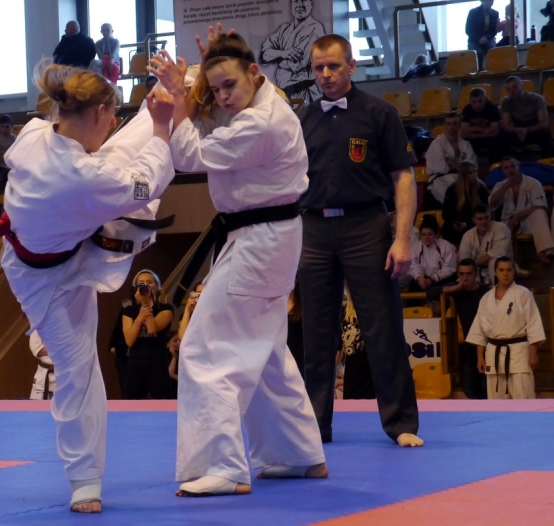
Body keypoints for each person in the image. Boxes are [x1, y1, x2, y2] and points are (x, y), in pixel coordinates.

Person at [0, 61, 176, 513]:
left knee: (114, 153)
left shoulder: (35, 132)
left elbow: (95, 153)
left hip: (70, 245)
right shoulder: (76, 174)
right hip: (42, 280)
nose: (114, 123)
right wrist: (162, 130)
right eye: (112, 114)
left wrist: (160, 104)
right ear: (99, 110)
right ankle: (84, 479)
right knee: (78, 369)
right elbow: (144, 186)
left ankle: (176, 92)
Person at [149, 26, 327, 498]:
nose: (223, 96)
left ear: (254, 71)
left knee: (204, 348)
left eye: (230, 85)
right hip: (263, 238)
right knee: (264, 350)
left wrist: (177, 99)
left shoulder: (262, 123)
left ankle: (222, 465)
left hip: (260, 242)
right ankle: (297, 453)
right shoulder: (261, 99)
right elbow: (211, 103)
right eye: (217, 87)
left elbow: (188, 153)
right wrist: (197, 79)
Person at [298, 34, 422, 447]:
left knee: (381, 327)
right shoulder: (302, 118)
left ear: (352, 66)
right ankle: (314, 428)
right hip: (314, 229)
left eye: (333, 66)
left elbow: (403, 177)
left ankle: (401, 424)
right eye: (319, 68)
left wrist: (402, 240)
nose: (326, 74)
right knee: (316, 333)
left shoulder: (378, 113)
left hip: (366, 226)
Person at [466, 257, 545, 399]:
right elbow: (479, 330)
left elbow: (534, 325)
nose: (505, 274)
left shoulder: (523, 294)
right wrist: (480, 357)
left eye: (509, 270)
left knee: (523, 396)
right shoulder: (486, 298)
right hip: (493, 353)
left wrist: (533, 353)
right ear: (495, 272)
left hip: (518, 352)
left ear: (514, 272)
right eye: (501, 270)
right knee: (496, 401)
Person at [426, 259, 489, 399]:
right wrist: (455, 289)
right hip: (470, 345)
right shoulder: (457, 289)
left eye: (469, 274)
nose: (465, 278)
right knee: (469, 387)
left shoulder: (486, 292)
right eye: (462, 274)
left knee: (488, 387)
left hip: (490, 344)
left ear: (476, 274)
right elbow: (430, 292)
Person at [488, 156, 554, 265]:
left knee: (540, 213)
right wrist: (506, 186)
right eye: (506, 168)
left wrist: (518, 215)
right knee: (499, 230)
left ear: (518, 167)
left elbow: (540, 206)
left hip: (528, 220)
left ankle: (542, 252)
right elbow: (492, 203)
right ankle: (503, 262)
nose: (510, 170)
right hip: (508, 222)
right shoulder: (500, 185)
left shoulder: (533, 183)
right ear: (503, 171)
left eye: (512, 166)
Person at [121, 270, 174, 399]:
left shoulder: (166, 308)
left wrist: (145, 304)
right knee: (132, 404)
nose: (145, 286)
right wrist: (140, 317)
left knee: (163, 403)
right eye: (141, 283)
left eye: (149, 282)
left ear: (156, 286)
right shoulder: (129, 311)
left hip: (158, 361)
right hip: (135, 363)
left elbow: (152, 329)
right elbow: (129, 341)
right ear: (136, 288)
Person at [259, 0, 326, 103]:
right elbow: (263, 56)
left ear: (311, 4)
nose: (299, 5)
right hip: (284, 95)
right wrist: (283, 53)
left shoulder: (316, 28)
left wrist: (275, 57)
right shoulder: (284, 29)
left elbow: (297, 64)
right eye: (295, 1)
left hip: (304, 93)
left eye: (303, 1)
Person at [425, 111, 477, 207]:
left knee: (479, 186)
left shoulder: (465, 144)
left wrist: (451, 163)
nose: (451, 127)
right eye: (448, 123)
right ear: (445, 125)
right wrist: (461, 167)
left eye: (454, 123)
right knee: (451, 191)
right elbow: (441, 168)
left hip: (464, 177)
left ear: (459, 125)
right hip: (441, 178)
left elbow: (472, 167)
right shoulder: (437, 144)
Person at [459, 204, 513, 285]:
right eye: (480, 219)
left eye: (486, 218)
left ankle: (498, 288)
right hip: (477, 271)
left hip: (500, 270)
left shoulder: (501, 228)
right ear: (474, 220)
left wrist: (474, 263)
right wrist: (472, 266)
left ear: (490, 217)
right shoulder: (468, 235)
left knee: (495, 261)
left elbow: (499, 252)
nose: (484, 222)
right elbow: (464, 258)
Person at [500, 76, 552, 154]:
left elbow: (544, 123)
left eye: (515, 87)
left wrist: (527, 130)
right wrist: (517, 130)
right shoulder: (506, 102)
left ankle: (547, 160)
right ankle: (509, 160)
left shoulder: (537, 99)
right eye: (509, 89)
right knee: (501, 136)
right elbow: (506, 125)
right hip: (518, 132)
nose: (512, 91)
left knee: (545, 133)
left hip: (534, 131)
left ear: (522, 87)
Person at [442, 160, 489, 246]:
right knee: (448, 229)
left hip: (474, 225)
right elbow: (446, 213)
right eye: (470, 173)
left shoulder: (481, 189)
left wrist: (466, 224)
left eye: (475, 171)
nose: (474, 175)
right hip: (455, 228)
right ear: (463, 175)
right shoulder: (452, 190)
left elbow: (485, 211)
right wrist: (455, 223)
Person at [339, 284, 374, 399]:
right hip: (351, 378)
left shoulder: (373, 312)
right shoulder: (343, 313)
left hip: (371, 378)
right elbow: (337, 351)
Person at [408, 214, 458, 292]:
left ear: (435, 234)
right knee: (413, 285)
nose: (427, 237)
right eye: (423, 235)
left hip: (442, 278)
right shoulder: (415, 248)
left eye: (430, 234)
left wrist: (433, 279)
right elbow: (414, 266)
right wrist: (419, 277)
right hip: (424, 278)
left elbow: (449, 268)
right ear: (420, 235)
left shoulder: (447, 246)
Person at [460, 87, 502, 162]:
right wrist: (483, 132)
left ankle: (495, 166)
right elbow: (464, 133)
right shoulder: (467, 110)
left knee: (498, 140)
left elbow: (495, 130)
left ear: (485, 100)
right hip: (476, 137)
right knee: (464, 143)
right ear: (470, 102)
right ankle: (469, 166)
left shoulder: (492, 108)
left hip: (489, 138)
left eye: (480, 101)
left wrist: (472, 129)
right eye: (474, 102)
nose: (478, 104)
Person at [465, 0, 499, 69]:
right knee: (477, 52)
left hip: (488, 38)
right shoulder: (473, 12)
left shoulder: (495, 13)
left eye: (492, 1)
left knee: (492, 49)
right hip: (474, 39)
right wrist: (479, 39)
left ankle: (493, 69)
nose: (491, 3)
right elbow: (468, 30)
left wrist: (486, 38)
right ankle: (479, 71)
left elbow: (494, 31)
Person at [29, 331, 54, 400]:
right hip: (46, 378)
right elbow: (38, 350)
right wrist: (59, 349)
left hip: (70, 376)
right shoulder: (38, 326)